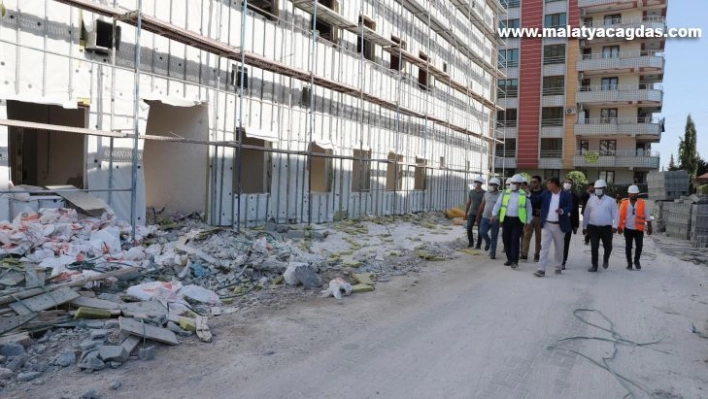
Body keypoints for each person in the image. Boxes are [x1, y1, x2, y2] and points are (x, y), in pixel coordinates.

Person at [531, 177, 573, 277]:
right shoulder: (546, 193)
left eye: (549, 183)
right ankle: (541, 269)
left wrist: (562, 211)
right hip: (547, 225)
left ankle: (558, 266)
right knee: (544, 247)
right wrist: (529, 194)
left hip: (559, 225)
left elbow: (570, 206)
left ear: (554, 184)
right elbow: (537, 199)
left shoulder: (566, 195)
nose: (547, 185)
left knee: (559, 248)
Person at [491, 174, 533, 269]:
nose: (515, 185)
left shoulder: (524, 194)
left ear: (520, 185)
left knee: (514, 240)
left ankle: (515, 261)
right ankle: (509, 259)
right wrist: (494, 214)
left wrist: (528, 221)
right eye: (514, 183)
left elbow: (529, 209)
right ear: (510, 183)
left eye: (518, 184)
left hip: (518, 220)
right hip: (506, 219)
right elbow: (498, 204)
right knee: (506, 239)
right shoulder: (505, 193)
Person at [582, 179, 619, 272]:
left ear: (604, 189)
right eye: (596, 188)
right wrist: (584, 227)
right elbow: (586, 214)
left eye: (600, 188)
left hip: (607, 228)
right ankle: (594, 265)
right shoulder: (591, 200)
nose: (597, 189)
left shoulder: (611, 201)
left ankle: (606, 259)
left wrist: (615, 226)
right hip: (593, 227)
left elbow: (616, 214)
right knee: (594, 247)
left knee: (608, 246)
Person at [618, 185, 653, 270]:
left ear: (637, 194)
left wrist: (649, 227)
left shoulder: (642, 203)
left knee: (639, 246)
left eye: (635, 193)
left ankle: (636, 261)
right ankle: (629, 263)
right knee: (628, 247)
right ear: (629, 194)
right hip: (627, 228)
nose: (633, 195)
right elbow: (620, 216)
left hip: (639, 229)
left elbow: (647, 216)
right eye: (631, 193)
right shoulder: (624, 203)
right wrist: (619, 227)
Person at [476, 177, 502, 259]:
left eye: (492, 185)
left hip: (495, 219)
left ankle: (492, 253)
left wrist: (501, 219)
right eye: (490, 184)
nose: (490, 186)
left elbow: (502, 207)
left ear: (497, 186)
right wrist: (478, 215)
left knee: (494, 236)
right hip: (485, 217)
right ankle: (488, 241)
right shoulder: (486, 194)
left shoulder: (500, 195)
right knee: (482, 232)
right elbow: (482, 204)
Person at [522, 175, 543, 262]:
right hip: (529, 217)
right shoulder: (528, 192)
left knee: (539, 237)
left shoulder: (543, 193)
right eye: (532, 182)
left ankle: (537, 254)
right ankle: (524, 254)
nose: (533, 184)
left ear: (539, 183)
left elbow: (540, 201)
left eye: (535, 182)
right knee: (526, 235)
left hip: (539, 218)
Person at [561, 178, 580, 269]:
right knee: (558, 242)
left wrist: (576, 224)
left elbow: (576, 210)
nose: (567, 184)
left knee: (566, 242)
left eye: (569, 183)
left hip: (569, 222)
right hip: (558, 222)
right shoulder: (557, 193)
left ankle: (563, 261)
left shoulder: (574, 196)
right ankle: (558, 258)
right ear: (562, 183)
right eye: (566, 182)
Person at [464, 176, 486, 248]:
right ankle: (471, 243)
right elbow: (469, 202)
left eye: (478, 182)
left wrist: (479, 215)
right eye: (475, 182)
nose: (476, 184)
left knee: (480, 230)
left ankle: (478, 244)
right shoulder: (471, 192)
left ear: (481, 184)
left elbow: (483, 205)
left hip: (481, 215)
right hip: (471, 213)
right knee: (469, 227)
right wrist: (466, 213)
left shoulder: (484, 193)